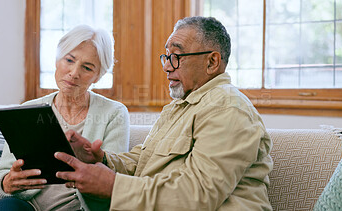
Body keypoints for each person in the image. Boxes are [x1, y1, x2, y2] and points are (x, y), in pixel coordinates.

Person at [53, 16, 273, 210]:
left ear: (212, 62)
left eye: (176, 56)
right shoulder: (180, 106)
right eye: (166, 56)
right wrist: (101, 159)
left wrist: (113, 186)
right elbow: (143, 161)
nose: (167, 67)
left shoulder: (227, 108)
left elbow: (198, 196)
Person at [0, 25, 130, 211]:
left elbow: (112, 181)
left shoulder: (114, 113)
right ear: (56, 59)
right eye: (69, 60)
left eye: (86, 67)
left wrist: (90, 163)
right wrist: (7, 183)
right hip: (26, 206)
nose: (74, 73)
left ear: (97, 76)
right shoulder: (27, 110)